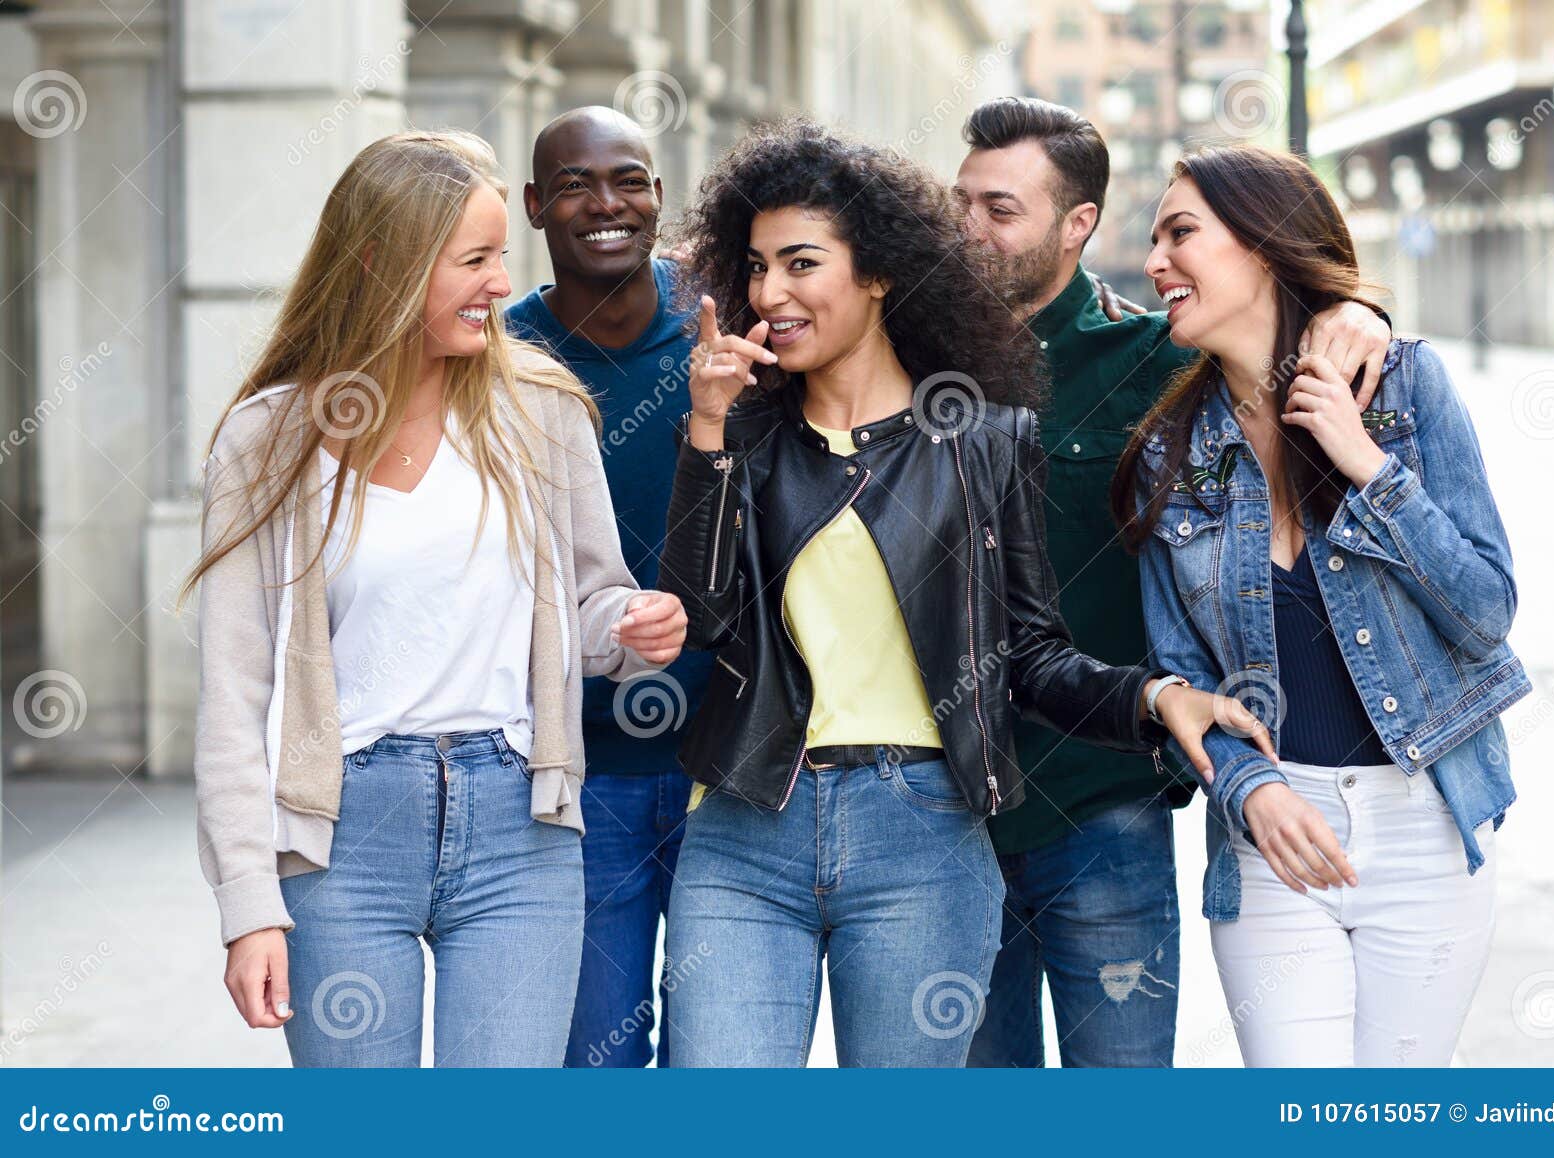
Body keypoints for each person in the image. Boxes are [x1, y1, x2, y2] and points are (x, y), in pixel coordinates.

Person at [654, 119, 1266, 1067]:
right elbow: (701, 617)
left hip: (925, 835)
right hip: (745, 827)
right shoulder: (743, 430)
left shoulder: (985, 436)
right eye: (757, 266)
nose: (770, 293)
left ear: (881, 271)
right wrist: (705, 431)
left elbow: (1029, 654)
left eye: (801, 263)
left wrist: (1153, 697)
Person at [182, 129, 686, 1067]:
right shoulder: (268, 440)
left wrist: (628, 627)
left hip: (519, 828)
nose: (505, 284)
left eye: (503, 255)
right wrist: (248, 905)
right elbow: (234, 696)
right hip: (341, 841)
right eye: (477, 260)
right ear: (386, 261)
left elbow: (591, 602)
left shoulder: (542, 408)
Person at [953, 95, 1394, 1067]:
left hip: (1103, 805)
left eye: (998, 208)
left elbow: (1279, 334)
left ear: (1077, 228)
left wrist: (1358, 311)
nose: (967, 227)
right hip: (946, 814)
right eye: (960, 201)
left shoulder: (1157, 362)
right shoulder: (909, 356)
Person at [1111, 144, 1527, 1067]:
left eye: (1182, 233)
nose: (1154, 263)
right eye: (1152, 241)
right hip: (1274, 838)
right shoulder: (1167, 456)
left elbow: (1487, 610)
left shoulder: (1405, 388)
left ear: (1264, 244)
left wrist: (1365, 464)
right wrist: (1250, 789)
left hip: (1428, 820)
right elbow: (1180, 674)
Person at [504, 106, 711, 1069]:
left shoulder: (728, 331)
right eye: (577, 185)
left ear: (659, 197)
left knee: (723, 1056)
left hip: (729, 769)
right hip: (578, 778)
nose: (606, 204)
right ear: (537, 206)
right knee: (596, 1057)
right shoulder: (499, 361)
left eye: (628, 179)